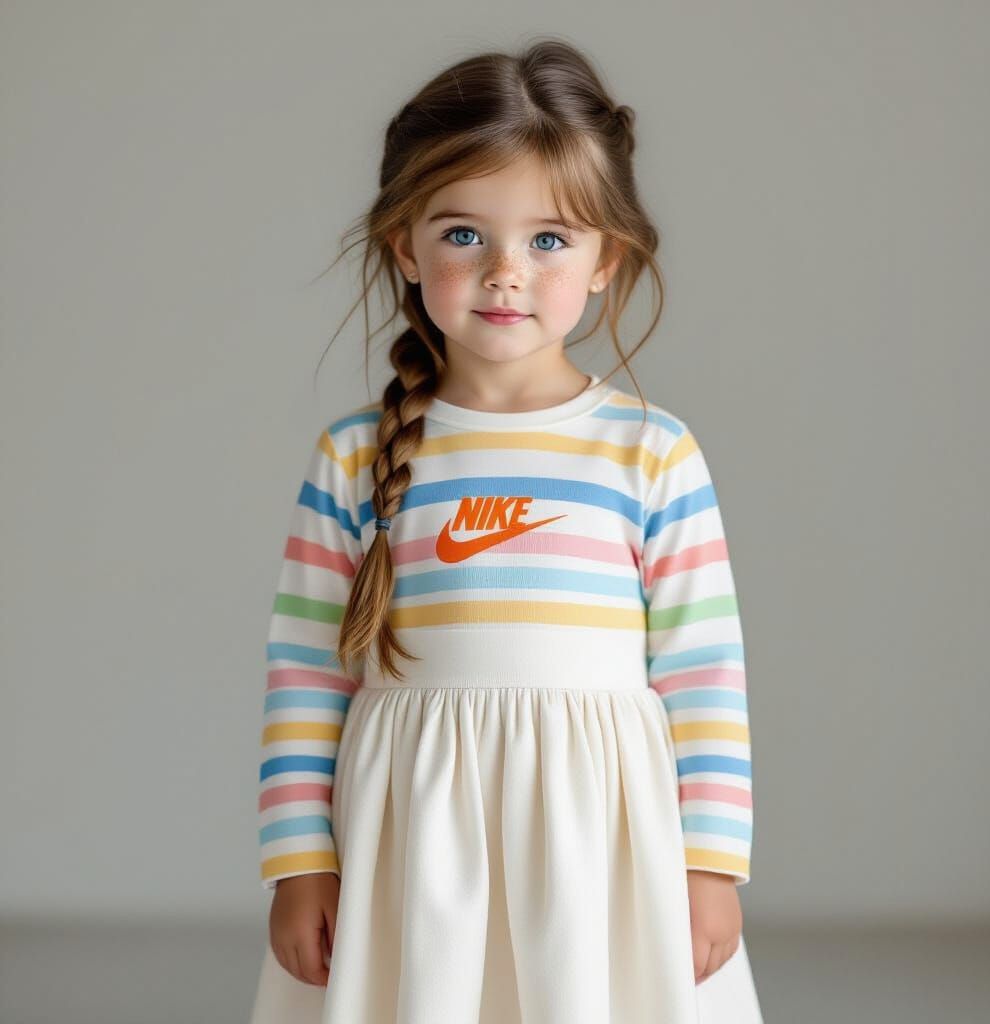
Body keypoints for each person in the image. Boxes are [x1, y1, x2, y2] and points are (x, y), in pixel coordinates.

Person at [249, 38, 762, 1024]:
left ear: (606, 257)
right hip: (413, 836)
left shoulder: (649, 452)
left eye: (549, 240)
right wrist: (299, 862)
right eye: (461, 236)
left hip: (596, 840)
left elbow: (703, 670)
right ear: (405, 246)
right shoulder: (355, 456)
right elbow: (306, 667)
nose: (504, 274)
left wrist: (708, 863)